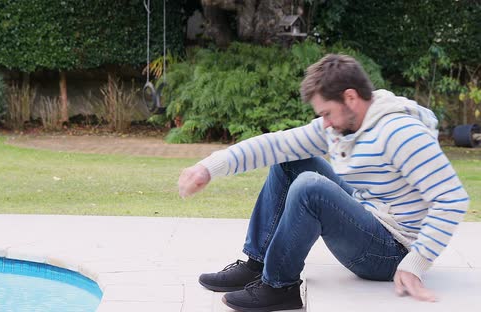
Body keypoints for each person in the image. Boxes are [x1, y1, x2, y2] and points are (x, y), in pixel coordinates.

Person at [178, 54, 469, 312]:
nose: (325, 123)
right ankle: (257, 264)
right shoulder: (346, 123)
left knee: (309, 187)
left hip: (391, 252)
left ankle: (280, 287)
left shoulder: (402, 133)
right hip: (370, 217)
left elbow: (452, 199)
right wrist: (209, 168)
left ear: (351, 98)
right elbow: (278, 144)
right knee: (288, 161)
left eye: (327, 113)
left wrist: (415, 263)